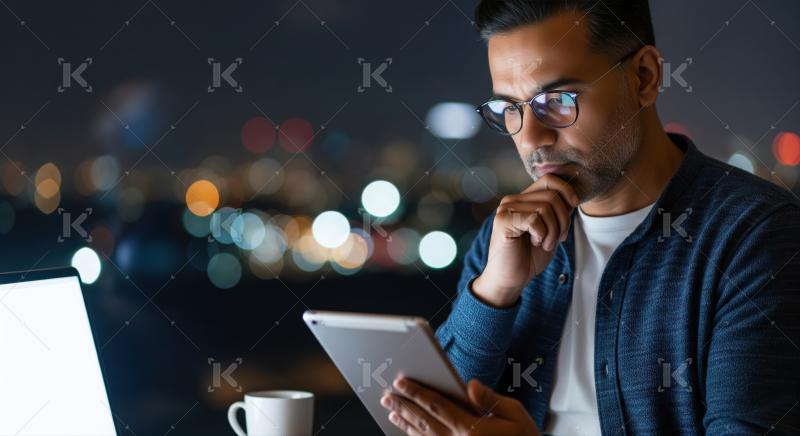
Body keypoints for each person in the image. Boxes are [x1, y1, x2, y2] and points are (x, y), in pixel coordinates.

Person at [380, 0, 800, 434]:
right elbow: (424, 416)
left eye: (557, 100)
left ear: (645, 78)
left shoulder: (756, 238)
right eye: (511, 108)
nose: (530, 139)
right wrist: (495, 291)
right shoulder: (504, 239)